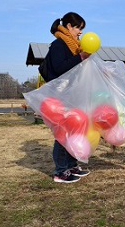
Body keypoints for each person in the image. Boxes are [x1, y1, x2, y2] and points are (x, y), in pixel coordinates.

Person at [43, 12, 91, 183]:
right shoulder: (59, 45)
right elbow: (59, 68)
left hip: (69, 94)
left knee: (73, 130)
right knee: (63, 132)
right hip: (58, 96)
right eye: (78, 28)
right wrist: (80, 58)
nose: (80, 32)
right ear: (69, 26)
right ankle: (60, 171)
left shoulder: (72, 46)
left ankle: (71, 165)